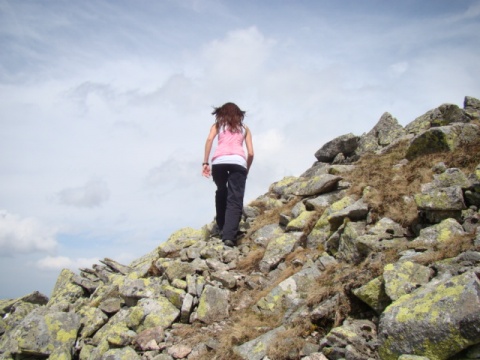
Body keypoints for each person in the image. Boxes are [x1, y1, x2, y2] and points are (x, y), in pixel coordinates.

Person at [202, 102, 254, 247]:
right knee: (235, 198)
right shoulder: (245, 129)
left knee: (221, 190)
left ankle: (221, 224)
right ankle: (229, 236)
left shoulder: (218, 125)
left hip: (219, 162)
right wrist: (246, 169)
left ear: (221, 113)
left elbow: (209, 140)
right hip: (238, 162)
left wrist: (205, 162)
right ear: (239, 114)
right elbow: (250, 153)